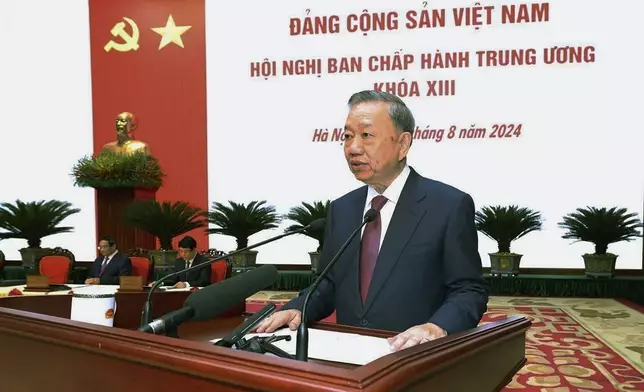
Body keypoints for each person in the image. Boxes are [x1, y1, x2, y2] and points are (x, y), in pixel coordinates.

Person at [256, 90, 489, 352]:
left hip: (415, 360)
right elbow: (330, 284)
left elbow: (469, 290)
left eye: (366, 135)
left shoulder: (447, 205)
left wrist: (435, 327)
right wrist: (297, 309)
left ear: (402, 144)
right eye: (347, 136)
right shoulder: (342, 208)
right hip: (350, 363)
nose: (353, 148)